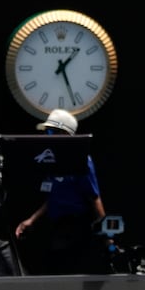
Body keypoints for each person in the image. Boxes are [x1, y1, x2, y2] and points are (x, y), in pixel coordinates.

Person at [12, 110, 109, 275]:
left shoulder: (81, 160)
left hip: (77, 228)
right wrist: (32, 219)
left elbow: (94, 197)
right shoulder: (53, 160)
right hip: (57, 227)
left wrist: (107, 235)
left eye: (50, 131)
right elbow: (54, 196)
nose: (45, 136)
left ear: (64, 133)